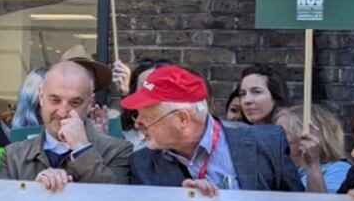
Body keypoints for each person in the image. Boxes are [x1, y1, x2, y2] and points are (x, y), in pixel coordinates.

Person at [120, 65, 303, 194]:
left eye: (148, 118)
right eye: (137, 115)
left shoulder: (266, 143)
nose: (138, 124)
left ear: (183, 119)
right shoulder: (143, 163)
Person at [0, 60, 132, 190]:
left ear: (90, 102)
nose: (62, 112)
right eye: (55, 100)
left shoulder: (118, 151)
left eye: (75, 103)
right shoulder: (13, 157)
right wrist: (34, 192)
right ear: (41, 96)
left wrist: (82, 150)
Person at [274, 105, 352, 193]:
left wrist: (313, 165)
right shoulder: (281, 172)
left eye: (282, 133)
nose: (275, 139)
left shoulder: (338, 169)